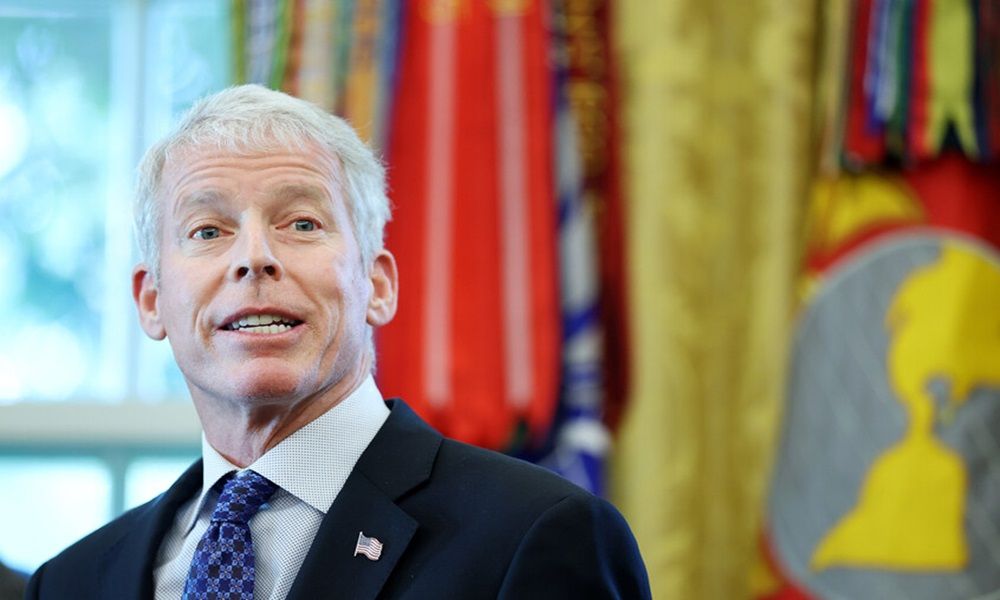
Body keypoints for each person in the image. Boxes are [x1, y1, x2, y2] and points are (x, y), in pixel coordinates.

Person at [26, 85, 650, 599]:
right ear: (152, 300)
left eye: (302, 223)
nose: (254, 257)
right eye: (208, 230)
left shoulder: (536, 535)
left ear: (377, 285)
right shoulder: (69, 583)